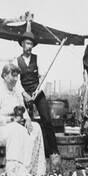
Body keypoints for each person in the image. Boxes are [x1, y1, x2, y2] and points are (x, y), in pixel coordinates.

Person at [0, 64, 46, 176]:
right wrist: (11, 120)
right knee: (16, 129)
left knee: (36, 127)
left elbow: (23, 110)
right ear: (4, 76)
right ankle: (14, 171)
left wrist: (27, 119)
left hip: (15, 126)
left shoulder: (17, 93)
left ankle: (32, 168)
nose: (16, 79)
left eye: (17, 76)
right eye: (13, 76)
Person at [15, 31, 61, 167]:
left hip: (37, 92)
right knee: (25, 122)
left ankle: (53, 152)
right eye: (27, 43)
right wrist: (24, 94)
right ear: (22, 44)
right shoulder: (16, 61)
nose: (29, 46)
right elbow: (17, 82)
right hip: (24, 93)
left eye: (31, 44)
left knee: (47, 119)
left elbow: (43, 78)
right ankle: (26, 154)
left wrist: (38, 91)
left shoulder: (37, 59)